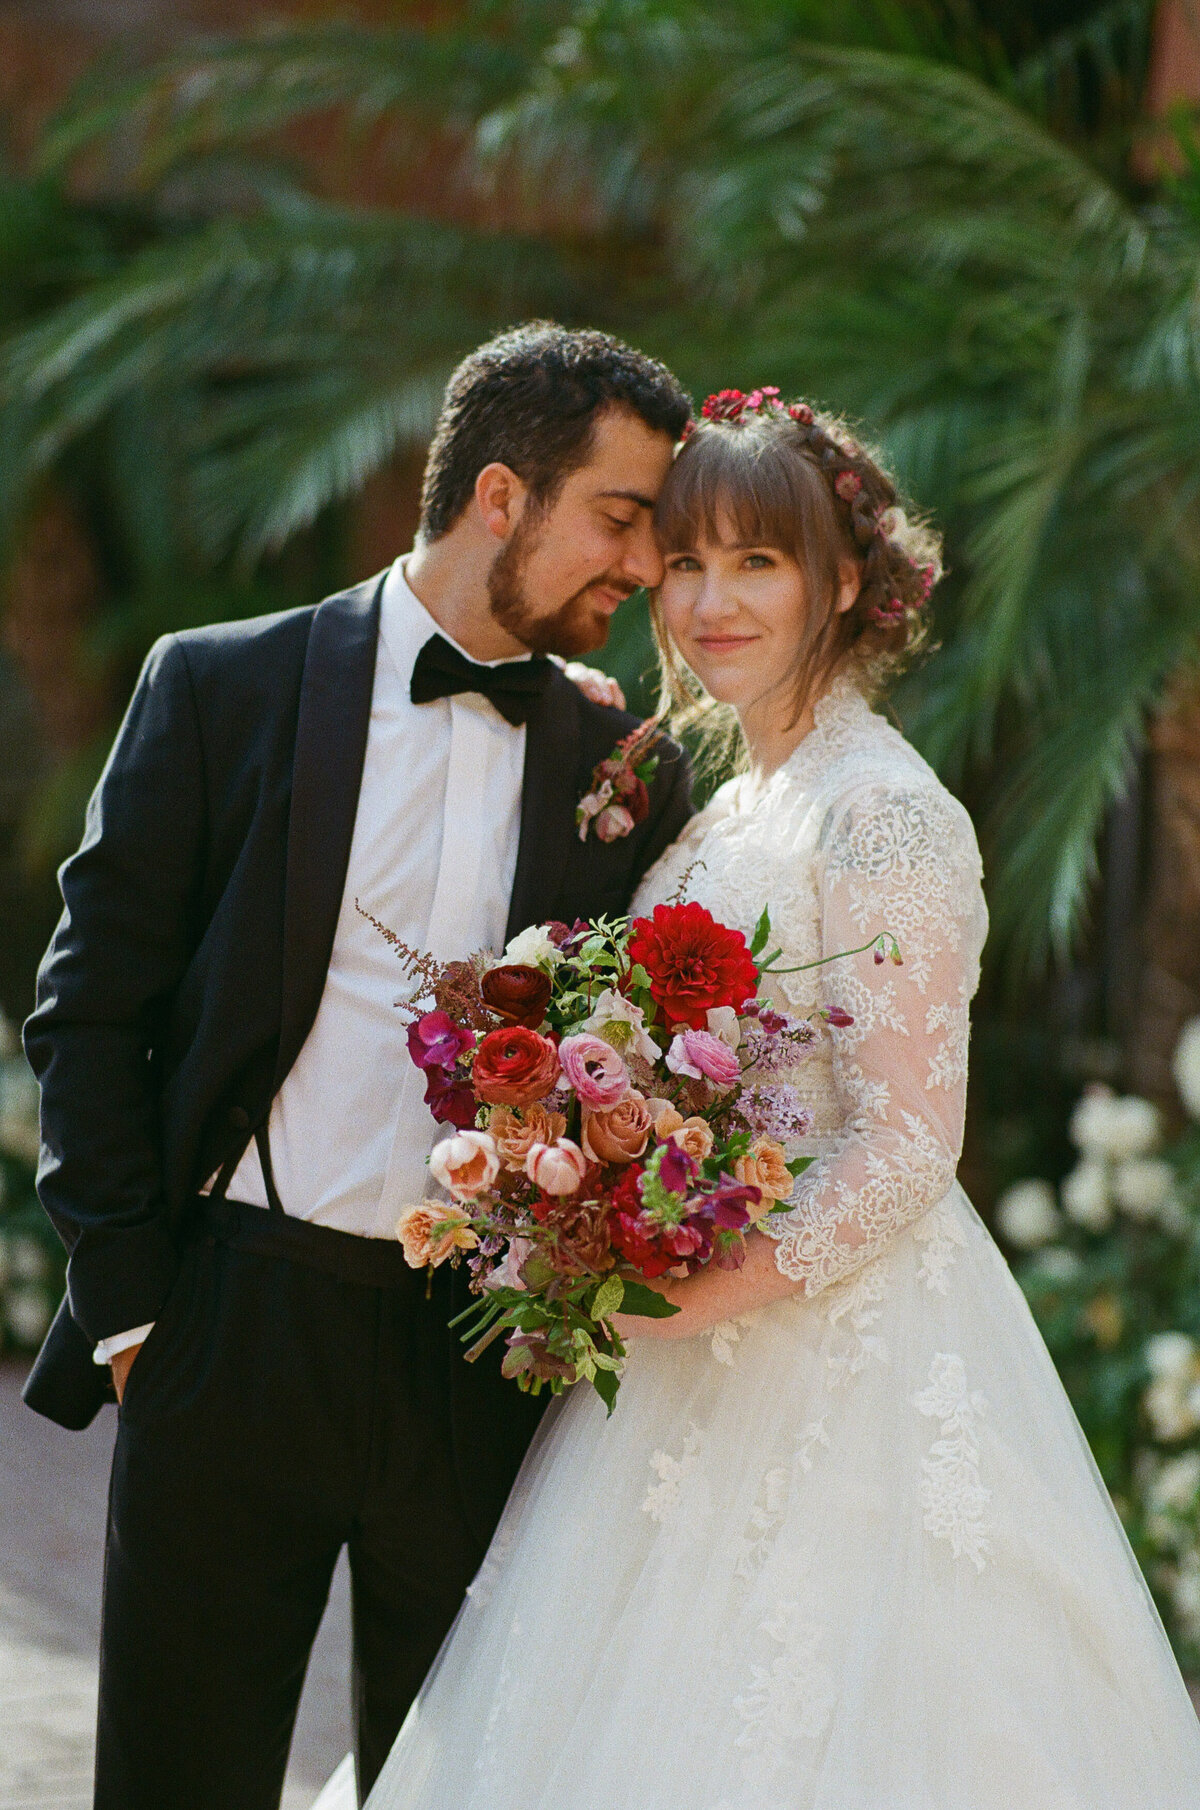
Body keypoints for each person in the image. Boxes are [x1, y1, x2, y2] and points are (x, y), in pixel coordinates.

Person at [342, 391, 1200, 1810]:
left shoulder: (884, 811)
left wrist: (697, 1289)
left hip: (826, 1348)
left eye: (758, 563)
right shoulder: (733, 798)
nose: (710, 600)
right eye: (685, 561)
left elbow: (915, 1136)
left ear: (843, 582)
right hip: (679, 1344)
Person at [21, 321, 695, 1810]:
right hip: (233, 1327)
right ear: (503, 496)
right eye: (624, 517)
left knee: (456, 1786)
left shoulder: (620, 763)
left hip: (480, 1360)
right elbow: (87, 1007)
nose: (645, 569)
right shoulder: (221, 686)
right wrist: (134, 1303)